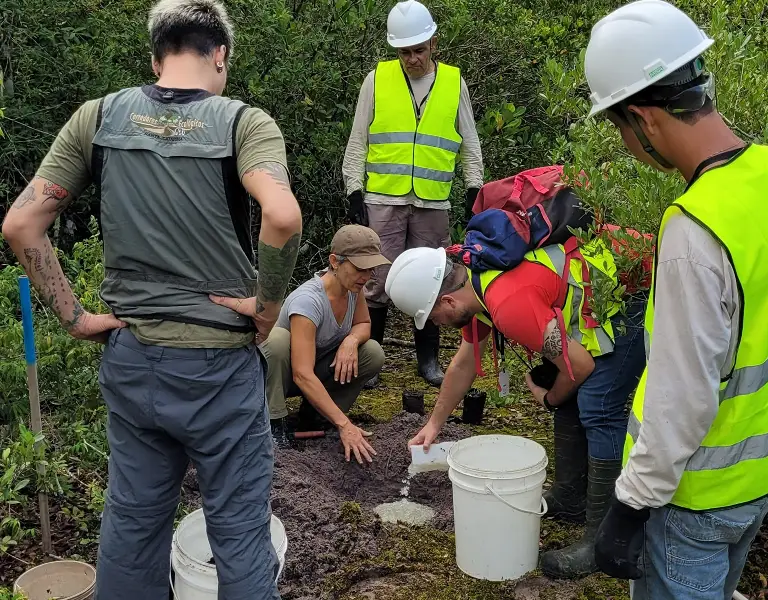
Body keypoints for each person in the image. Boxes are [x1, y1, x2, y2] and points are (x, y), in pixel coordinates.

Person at [1, 1, 303, 598]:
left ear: (157, 55)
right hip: (218, 368)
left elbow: (20, 226)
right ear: (219, 53)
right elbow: (282, 215)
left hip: (133, 361)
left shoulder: (100, 118)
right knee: (239, 535)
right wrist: (267, 308)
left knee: (133, 528)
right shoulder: (243, 123)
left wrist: (74, 315)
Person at [581, 1, 768, 598]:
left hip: (698, 497)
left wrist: (629, 505)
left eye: (619, 129)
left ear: (643, 121)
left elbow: (682, 398)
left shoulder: (693, 229)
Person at [385, 235, 648, 579]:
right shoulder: (478, 285)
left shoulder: (508, 304)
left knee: (597, 403)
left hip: (634, 294)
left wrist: (549, 399)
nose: (436, 325)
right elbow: (463, 365)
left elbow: (581, 367)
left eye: (432, 318)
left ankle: (601, 541)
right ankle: (570, 499)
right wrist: (434, 424)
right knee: (569, 386)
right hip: (602, 297)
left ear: (447, 300)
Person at [342, 0, 484, 389]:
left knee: (436, 278)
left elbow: (470, 144)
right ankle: (372, 362)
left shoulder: (455, 82)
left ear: (434, 43)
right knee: (376, 280)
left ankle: (429, 362)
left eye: (419, 50)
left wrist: (474, 188)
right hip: (382, 198)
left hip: (433, 201)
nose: (412, 59)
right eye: (404, 52)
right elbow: (358, 141)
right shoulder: (377, 79)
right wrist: (354, 190)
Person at [212, 225, 388, 464]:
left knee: (372, 352)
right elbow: (301, 374)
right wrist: (345, 425)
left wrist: (351, 340)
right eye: (360, 269)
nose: (366, 277)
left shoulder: (352, 290)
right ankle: (274, 421)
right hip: (280, 377)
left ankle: (317, 416)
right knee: (277, 340)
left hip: (314, 370)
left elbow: (364, 323)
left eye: (370, 269)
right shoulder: (309, 301)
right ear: (335, 262)